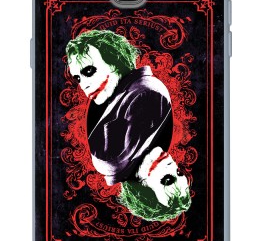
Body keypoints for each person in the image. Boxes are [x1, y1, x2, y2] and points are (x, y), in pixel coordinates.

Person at [66, 30, 190, 221]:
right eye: (179, 172)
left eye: (167, 179)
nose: (84, 85)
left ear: (142, 188)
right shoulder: (143, 101)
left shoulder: (111, 155)